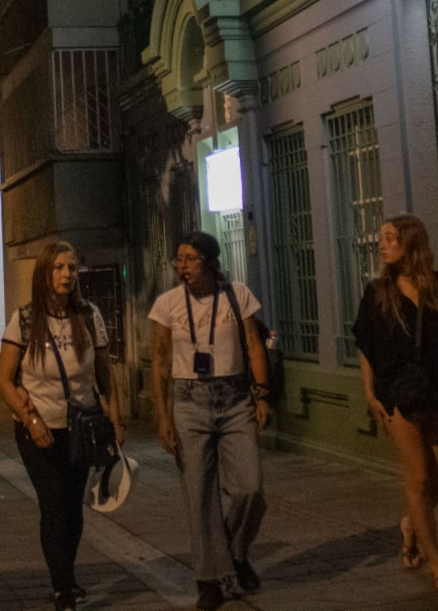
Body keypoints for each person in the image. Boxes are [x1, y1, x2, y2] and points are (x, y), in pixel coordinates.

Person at [0, 241, 124, 611]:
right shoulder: (23, 319)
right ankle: (62, 587)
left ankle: (65, 574)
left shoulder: (89, 315)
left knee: (72, 506)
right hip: (39, 429)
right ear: (44, 274)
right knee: (53, 504)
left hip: (81, 427)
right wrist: (29, 417)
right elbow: (5, 379)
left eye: (71, 267)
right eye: (58, 268)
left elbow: (104, 374)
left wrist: (115, 418)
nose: (67, 274)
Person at [149, 231, 271, 611]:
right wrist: (163, 415)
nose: (182, 266)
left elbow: (252, 343)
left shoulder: (237, 294)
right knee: (200, 495)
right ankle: (209, 580)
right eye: (179, 259)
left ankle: (234, 554)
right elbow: (160, 359)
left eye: (190, 259)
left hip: (235, 397)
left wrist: (262, 392)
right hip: (190, 400)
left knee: (250, 488)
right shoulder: (168, 303)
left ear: (210, 261)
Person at [354, 214, 438, 593]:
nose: (382, 244)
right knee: (418, 478)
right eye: (382, 238)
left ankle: (410, 524)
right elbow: (366, 346)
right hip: (397, 393)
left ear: (411, 244)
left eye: (390, 238)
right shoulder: (376, 294)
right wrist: (370, 392)